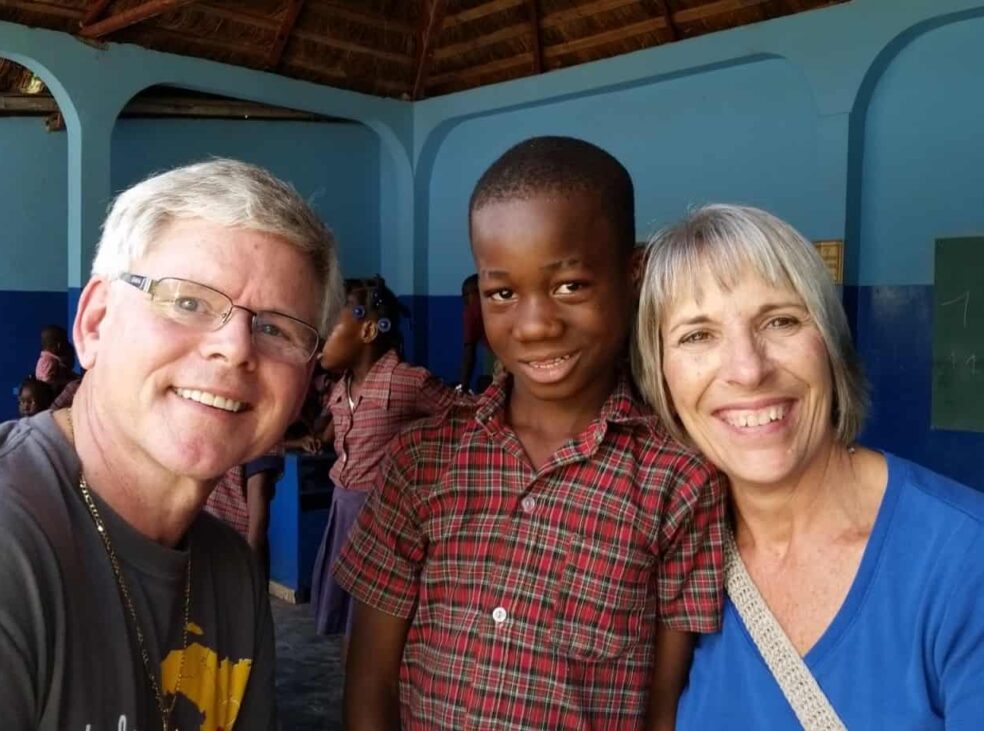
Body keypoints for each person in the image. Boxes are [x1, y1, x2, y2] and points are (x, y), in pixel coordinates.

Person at [336, 136, 727, 730]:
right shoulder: (422, 463)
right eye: (502, 293)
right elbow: (369, 678)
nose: (536, 324)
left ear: (632, 274)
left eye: (570, 284)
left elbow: (663, 705)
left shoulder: (680, 479)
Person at [0, 158, 343, 730]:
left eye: (276, 327)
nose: (236, 348)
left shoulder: (230, 573)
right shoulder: (1, 550)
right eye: (189, 302)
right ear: (95, 323)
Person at [632, 204, 984, 729]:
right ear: (663, 381)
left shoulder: (981, 562)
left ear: (830, 346)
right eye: (698, 335)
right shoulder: (664, 559)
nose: (748, 368)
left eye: (780, 321)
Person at [308, 276, 458, 644]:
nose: (320, 338)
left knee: (376, 623)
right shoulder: (340, 388)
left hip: (384, 521)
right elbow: (332, 432)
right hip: (343, 510)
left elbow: (463, 419)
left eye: (330, 326)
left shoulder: (409, 383)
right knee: (349, 623)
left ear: (369, 329)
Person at [204, 450, 285, 576]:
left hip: (207, 538)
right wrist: (252, 563)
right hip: (237, 545)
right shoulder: (261, 433)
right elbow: (258, 491)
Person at [459, 272, 493, 392]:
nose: (463, 299)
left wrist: (464, 384)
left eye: (465, 295)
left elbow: (469, 351)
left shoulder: (471, 311)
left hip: (499, 356)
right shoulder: (495, 304)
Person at [34, 324, 77, 396]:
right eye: (65, 342)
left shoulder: (53, 360)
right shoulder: (48, 361)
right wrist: (66, 382)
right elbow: (46, 380)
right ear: (58, 346)